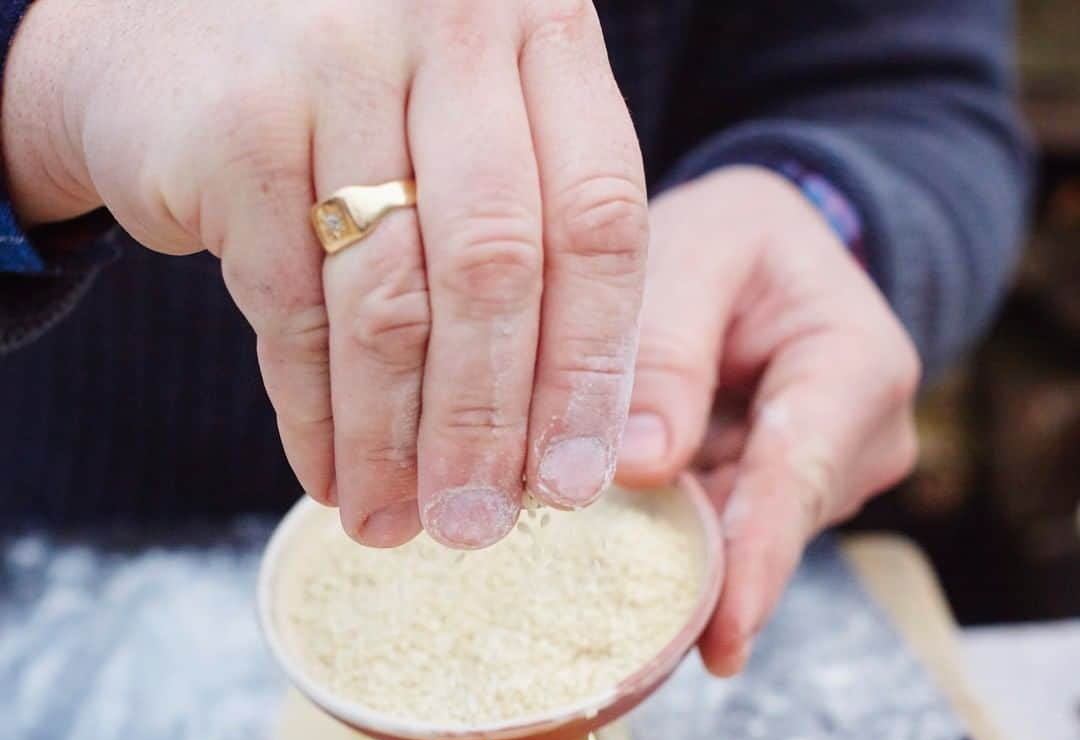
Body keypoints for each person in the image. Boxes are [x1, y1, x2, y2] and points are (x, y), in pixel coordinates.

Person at [0, 1, 1029, 675]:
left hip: (668, 577)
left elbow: (911, 90)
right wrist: (41, 72)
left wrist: (820, 210)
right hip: (42, 598)